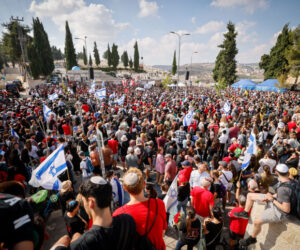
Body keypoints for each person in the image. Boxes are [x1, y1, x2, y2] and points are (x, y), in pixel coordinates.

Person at [51, 176, 136, 250]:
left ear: (91, 202)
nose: (84, 205)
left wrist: (60, 244)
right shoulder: (128, 220)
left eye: (84, 202)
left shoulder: (80, 245)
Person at [235, 164, 294, 248]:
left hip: (280, 212)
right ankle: (245, 212)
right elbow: (283, 195)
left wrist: (272, 199)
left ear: (276, 172)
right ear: (287, 172)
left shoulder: (283, 188)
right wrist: (272, 196)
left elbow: (286, 209)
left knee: (256, 221)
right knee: (250, 195)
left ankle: (252, 238)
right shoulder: (290, 181)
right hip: (275, 199)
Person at [113, 168, 167, 250]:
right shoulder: (159, 204)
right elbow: (163, 231)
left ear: (125, 188)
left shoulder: (117, 214)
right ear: (144, 184)